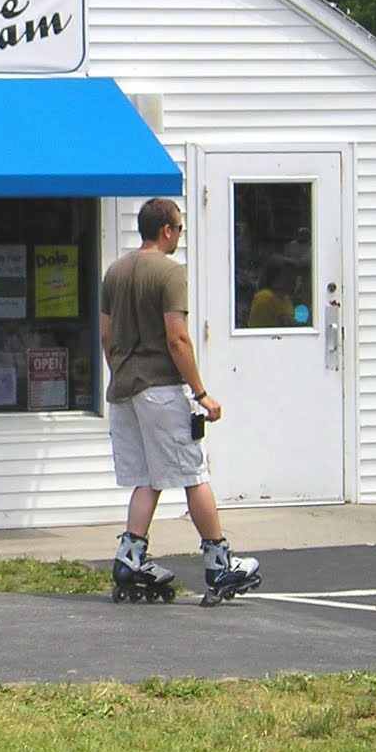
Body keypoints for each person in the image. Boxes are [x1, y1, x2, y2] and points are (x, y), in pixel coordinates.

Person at [99, 197, 260, 604]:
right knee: (193, 473)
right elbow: (177, 338)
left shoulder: (115, 272)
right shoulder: (170, 273)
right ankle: (219, 563)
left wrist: (120, 370)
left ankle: (130, 557)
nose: (179, 237)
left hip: (123, 391)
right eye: (179, 229)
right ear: (166, 230)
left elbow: (105, 334)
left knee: (147, 477)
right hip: (161, 388)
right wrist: (201, 393)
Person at [247, 256, 297, 328]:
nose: (293, 280)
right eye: (287, 275)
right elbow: (257, 330)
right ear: (274, 276)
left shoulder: (287, 301)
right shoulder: (264, 298)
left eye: (294, 275)